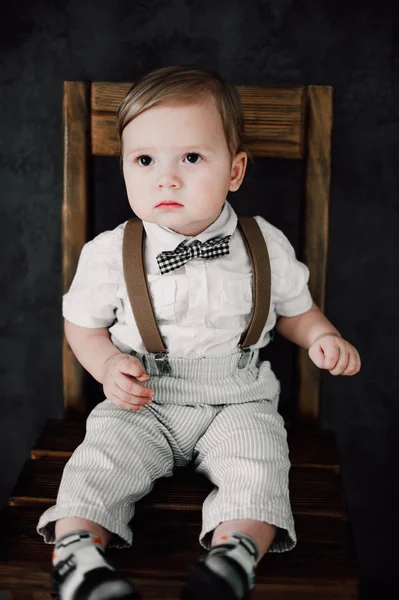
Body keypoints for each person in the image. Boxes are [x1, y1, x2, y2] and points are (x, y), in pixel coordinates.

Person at [37, 65, 361, 600]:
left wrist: (321, 336)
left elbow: (294, 312)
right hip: (145, 398)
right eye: (145, 161)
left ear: (234, 171)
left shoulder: (264, 243)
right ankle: (77, 556)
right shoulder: (109, 253)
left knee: (258, 466)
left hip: (240, 398)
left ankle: (233, 556)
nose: (166, 178)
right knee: (100, 462)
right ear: (124, 169)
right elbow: (83, 326)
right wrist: (107, 366)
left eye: (191, 158)